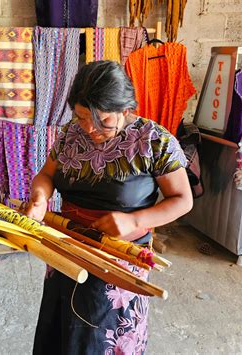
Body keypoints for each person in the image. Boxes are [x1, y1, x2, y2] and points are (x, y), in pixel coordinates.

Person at [25, 60, 193, 354]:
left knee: (103, 339)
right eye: (80, 117)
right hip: (67, 249)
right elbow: (47, 175)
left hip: (118, 262)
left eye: (102, 120)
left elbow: (183, 200)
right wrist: (40, 199)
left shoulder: (153, 141)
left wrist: (135, 221)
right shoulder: (70, 134)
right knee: (63, 334)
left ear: (126, 110)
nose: (89, 129)